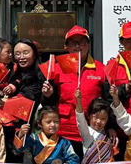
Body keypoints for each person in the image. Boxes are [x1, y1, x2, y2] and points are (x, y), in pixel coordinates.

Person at [44, 25, 107, 157]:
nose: (77, 46)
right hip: (64, 131)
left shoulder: (101, 69)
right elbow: (48, 103)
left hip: (92, 131)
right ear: (66, 46)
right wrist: (47, 95)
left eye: (82, 42)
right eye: (73, 43)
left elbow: (108, 101)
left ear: (88, 45)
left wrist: (110, 126)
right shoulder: (56, 69)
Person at [13, 106, 80, 164]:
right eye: (48, 122)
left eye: (56, 121)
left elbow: (74, 159)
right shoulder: (33, 139)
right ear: (39, 123)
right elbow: (19, 149)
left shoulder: (64, 142)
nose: (53, 125)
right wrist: (21, 134)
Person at [75, 89, 118, 164]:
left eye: (103, 119)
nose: (98, 121)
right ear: (89, 116)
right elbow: (80, 119)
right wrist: (78, 101)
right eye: (96, 117)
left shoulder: (109, 135)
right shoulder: (86, 132)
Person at [10, 39, 45, 104]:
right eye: (17, 54)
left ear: (34, 54)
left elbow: (32, 93)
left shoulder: (43, 72)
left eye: (26, 53)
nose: (21, 57)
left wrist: (8, 101)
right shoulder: (13, 71)